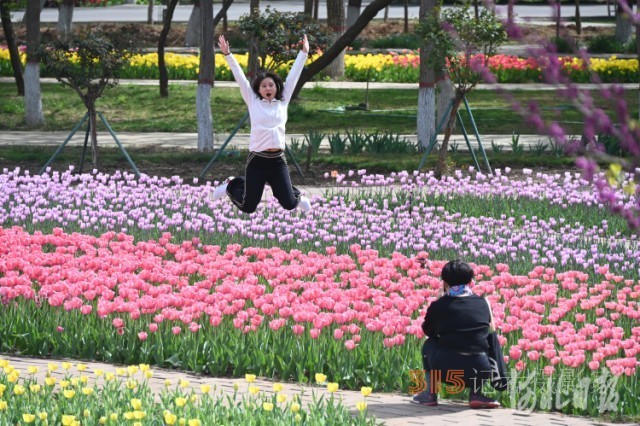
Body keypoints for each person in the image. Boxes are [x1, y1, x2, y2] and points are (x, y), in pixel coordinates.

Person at [213, 34, 312, 214]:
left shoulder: (283, 101)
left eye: (271, 85)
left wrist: (304, 53)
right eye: (264, 86)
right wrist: (228, 55)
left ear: (277, 88)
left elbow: (293, 76)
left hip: (277, 161)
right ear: (258, 89)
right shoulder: (253, 101)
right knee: (248, 207)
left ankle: (297, 196)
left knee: (289, 203)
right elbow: (241, 79)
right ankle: (231, 184)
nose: (268, 88)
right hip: (257, 161)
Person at [412, 259, 501, 409]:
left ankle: (430, 394)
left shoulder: (439, 305)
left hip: (446, 370)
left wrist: (439, 301)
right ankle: (476, 394)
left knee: (429, 344)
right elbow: (491, 330)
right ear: (470, 281)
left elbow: (428, 331)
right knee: (483, 344)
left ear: (445, 283)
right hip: (481, 369)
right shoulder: (482, 302)